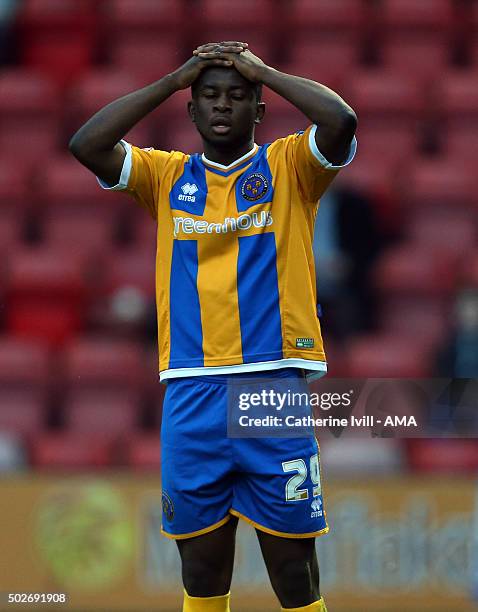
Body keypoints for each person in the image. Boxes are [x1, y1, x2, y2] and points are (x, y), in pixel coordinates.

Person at [69, 41, 357, 612]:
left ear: (259, 109)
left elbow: (341, 120)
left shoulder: (290, 167)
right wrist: (171, 79)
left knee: (294, 571)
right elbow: (87, 144)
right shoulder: (165, 176)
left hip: (271, 389)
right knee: (201, 570)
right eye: (209, 96)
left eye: (238, 96)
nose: (222, 105)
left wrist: (266, 71)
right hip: (191, 390)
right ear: (192, 111)